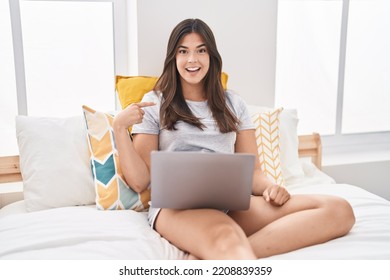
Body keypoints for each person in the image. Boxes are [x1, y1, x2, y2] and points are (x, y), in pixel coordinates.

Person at [113, 18, 355, 260]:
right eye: (183, 51)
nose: (192, 60)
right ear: (173, 58)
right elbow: (140, 181)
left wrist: (271, 187)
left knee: (338, 210)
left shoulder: (233, 104)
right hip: (177, 209)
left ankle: (212, 257)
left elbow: (253, 172)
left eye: (201, 51)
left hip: (230, 205)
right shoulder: (155, 102)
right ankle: (227, 252)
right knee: (226, 234)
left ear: (212, 57)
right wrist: (119, 128)